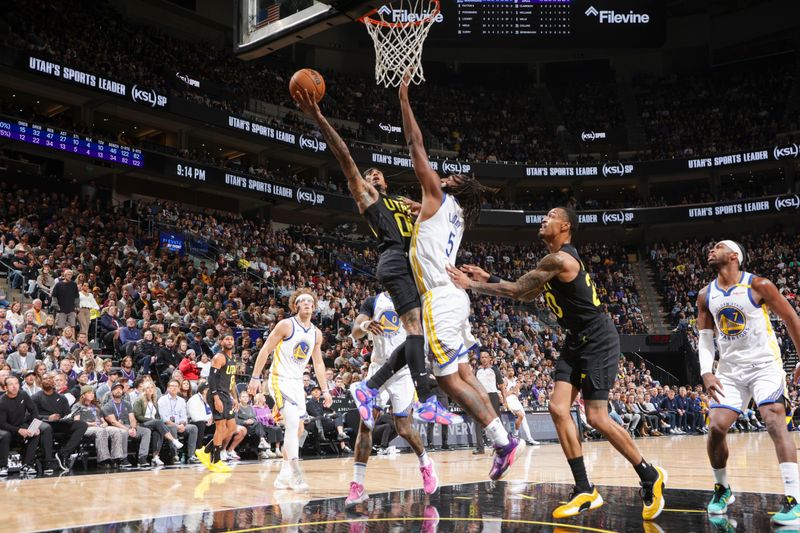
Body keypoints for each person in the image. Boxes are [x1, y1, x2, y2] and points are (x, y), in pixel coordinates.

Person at [447, 207, 666, 520]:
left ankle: (648, 475)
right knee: (558, 409)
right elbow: (527, 294)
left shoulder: (560, 259)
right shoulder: (550, 262)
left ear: (565, 226)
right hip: (576, 339)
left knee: (597, 417)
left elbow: (518, 290)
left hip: (598, 337)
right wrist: (491, 277)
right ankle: (585, 489)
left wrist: (474, 286)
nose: (543, 219)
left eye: (550, 215)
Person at [294, 89, 458, 428]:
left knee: (417, 337)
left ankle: (369, 389)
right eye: (369, 175)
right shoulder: (368, 197)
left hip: (416, 266)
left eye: (378, 173)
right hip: (395, 260)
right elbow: (345, 158)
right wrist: (319, 117)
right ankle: (425, 399)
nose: (374, 175)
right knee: (414, 330)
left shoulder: (402, 200)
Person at [389, 79, 519, 482]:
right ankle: (503, 436)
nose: (441, 173)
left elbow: (415, 146)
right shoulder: (454, 211)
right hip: (457, 298)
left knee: (447, 380)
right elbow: (424, 213)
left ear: (449, 185)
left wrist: (404, 99)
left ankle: (501, 440)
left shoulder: (437, 193)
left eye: (448, 175)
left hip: (440, 299)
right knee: (463, 375)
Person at [696, 240, 800, 526]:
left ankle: (794, 498)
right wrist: (707, 371)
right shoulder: (706, 294)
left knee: (773, 418)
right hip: (729, 371)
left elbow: (791, 318)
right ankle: (722, 488)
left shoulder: (759, 285)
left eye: (716, 246)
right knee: (716, 427)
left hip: (764, 365)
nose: (710, 249)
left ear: (734, 256)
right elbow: (705, 338)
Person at [346, 292, 438, 508]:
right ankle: (357, 485)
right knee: (366, 425)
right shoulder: (373, 301)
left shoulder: (414, 299)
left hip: (403, 372)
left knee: (404, 428)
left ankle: (425, 463)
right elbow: (356, 330)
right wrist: (367, 325)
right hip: (378, 369)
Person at [248, 288, 332, 490]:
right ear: (296, 305)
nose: (306, 303)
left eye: (310, 301)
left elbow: (318, 364)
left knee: (299, 429)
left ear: (314, 306)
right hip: (279, 379)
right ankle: (295, 474)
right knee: (293, 424)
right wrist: (255, 377)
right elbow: (266, 349)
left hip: (296, 383)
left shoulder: (316, 333)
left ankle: (283, 476)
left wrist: (326, 390)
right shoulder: (286, 325)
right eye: (302, 301)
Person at [195, 333, 239, 473]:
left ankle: (206, 450)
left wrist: (235, 398)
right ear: (221, 342)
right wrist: (215, 397)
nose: (229, 341)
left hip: (226, 395)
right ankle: (216, 461)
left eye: (231, 338)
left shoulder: (233, 359)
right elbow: (212, 379)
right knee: (220, 427)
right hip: (216, 394)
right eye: (227, 339)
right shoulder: (219, 357)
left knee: (232, 427)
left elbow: (232, 381)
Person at [32, 372, 88, 471]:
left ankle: (63, 454)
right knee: (47, 427)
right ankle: (48, 461)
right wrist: (48, 417)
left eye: (50, 378)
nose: (48, 380)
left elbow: (67, 413)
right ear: (41, 382)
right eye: (45, 378)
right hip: (43, 423)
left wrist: (66, 417)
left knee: (82, 425)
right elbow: (32, 416)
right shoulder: (35, 397)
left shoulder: (61, 398)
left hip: (58, 423)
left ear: (54, 382)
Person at [73, 386, 127, 467]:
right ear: (83, 395)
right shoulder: (78, 406)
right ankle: (103, 459)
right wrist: (91, 424)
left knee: (116, 430)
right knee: (101, 431)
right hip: (86, 428)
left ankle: (116, 458)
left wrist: (104, 424)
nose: (92, 395)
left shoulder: (96, 406)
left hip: (99, 426)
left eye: (92, 393)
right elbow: (77, 422)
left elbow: (103, 420)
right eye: (89, 393)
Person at [103, 381, 151, 468]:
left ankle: (142, 457)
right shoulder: (107, 406)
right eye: (116, 389)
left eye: (120, 389)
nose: (118, 390)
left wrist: (133, 428)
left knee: (146, 431)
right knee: (124, 433)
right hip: (115, 428)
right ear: (111, 392)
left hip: (129, 427)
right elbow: (113, 422)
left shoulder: (127, 404)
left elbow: (132, 418)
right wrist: (127, 430)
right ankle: (123, 458)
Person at [133, 381, 182, 466]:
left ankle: (155, 457)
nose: (150, 389)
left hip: (154, 424)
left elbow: (157, 416)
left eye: (152, 387)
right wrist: (151, 420)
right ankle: (174, 440)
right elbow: (138, 416)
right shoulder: (139, 401)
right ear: (144, 389)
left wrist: (154, 421)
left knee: (158, 431)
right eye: (148, 388)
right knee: (157, 422)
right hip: (142, 424)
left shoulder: (154, 401)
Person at [473, 351, 506, 455]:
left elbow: (501, 385)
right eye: (482, 357)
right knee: (478, 422)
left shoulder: (494, 370)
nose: (483, 359)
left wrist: (504, 399)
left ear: (489, 359)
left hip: (493, 396)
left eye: (485, 357)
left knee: (497, 421)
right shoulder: (477, 371)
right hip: (480, 397)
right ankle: (480, 448)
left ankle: (503, 445)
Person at [158, 379, 198, 463]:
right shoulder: (162, 400)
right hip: (167, 426)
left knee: (193, 428)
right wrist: (177, 426)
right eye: (172, 386)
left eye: (176, 386)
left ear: (179, 388)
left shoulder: (182, 401)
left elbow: (184, 416)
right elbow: (164, 419)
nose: (174, 388)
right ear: (168, 388)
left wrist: (182, 424)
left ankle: (191, 455)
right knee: (172, 427)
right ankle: (174, 455)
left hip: (180, 425)